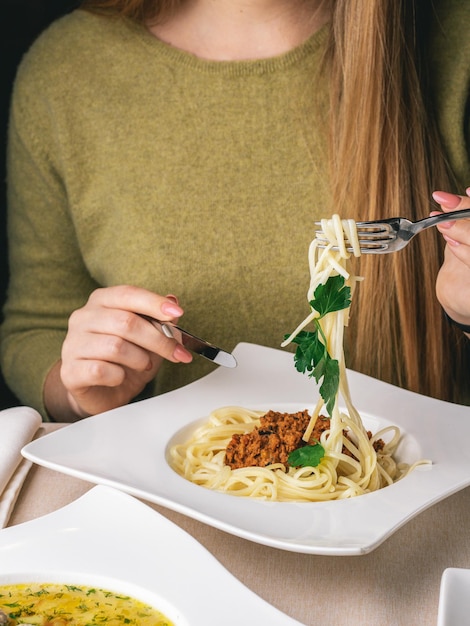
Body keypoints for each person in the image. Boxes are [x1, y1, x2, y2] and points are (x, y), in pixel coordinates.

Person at [1, 0, 469, 422]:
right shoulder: (67, 71)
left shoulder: (456, 39)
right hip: (174, 494)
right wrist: (80, 385)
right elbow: (36, 325)